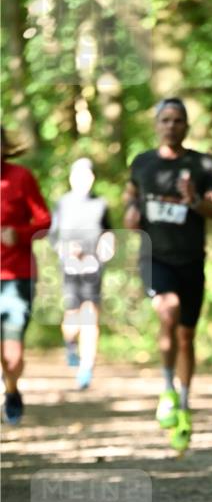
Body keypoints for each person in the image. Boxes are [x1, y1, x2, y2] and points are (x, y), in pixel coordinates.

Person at [123, 98, 212, 452]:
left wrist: (195, 200)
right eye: (165, 119)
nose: (171, 125)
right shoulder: (142, 163)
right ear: (156, 124)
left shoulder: (202, 164)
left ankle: (183, 399)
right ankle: (166, 387)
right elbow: (130, 200)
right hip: (155, 257)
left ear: (186, 125)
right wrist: (130, 216)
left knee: (186, 335)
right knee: (167, 312)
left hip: (191, 260)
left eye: (177, 120)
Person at [49, 157, 115, 390]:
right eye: (79, 175)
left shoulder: (101, 204)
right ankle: (70, 345)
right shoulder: (63, 203)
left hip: (93, 267)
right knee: (72, 317)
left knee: (90, 317)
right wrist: (66, 250)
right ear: (71, 178)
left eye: (88, 175)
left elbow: (109, 233)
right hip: (69, 268)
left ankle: (87, 367)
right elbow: (53, 236)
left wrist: (105, 250)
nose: (84, 180)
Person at [0, 127, 51, 424]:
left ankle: (12, 389)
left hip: (18, 275)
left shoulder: (21, 178)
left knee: (13, 349)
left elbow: (45, 222)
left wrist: (19, 234)